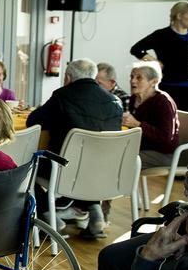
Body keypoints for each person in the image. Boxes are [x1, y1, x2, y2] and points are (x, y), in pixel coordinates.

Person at [27, 59, 123, 239]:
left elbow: (32, 121)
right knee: (88, 160)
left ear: (68, 78)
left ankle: (49, 216)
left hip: (66, 171)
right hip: (104, 172)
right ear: (94, 77)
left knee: (28, 166)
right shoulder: (115, 102)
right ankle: (95, 209)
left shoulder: (62, 96)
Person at [130, 1, 188, 113]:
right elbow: (136, 49)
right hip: (172, 89)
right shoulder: (162, 35)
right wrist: (155, 61)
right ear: (179, 15)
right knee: (172, 122)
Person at [124, 61, 179, 169]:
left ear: (153, 81)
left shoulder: (163, 101)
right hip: (140, 148)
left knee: (121, 160)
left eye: (139, 78)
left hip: (162, 153)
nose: (133, 81)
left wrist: (138, 124)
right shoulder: (134, 98)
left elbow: (166, 136)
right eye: (132, 77)